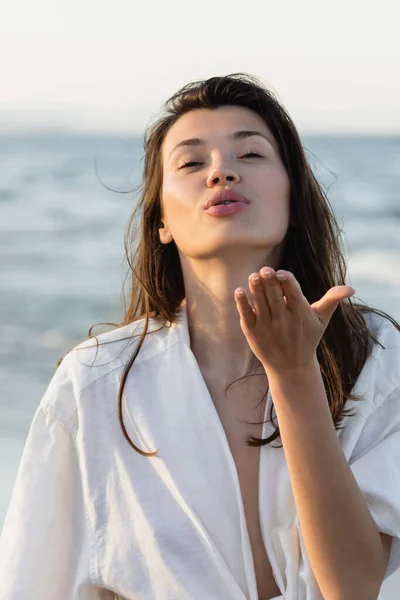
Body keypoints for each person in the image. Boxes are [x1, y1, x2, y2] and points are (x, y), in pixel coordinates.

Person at [0, 73, 399, 600]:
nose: (221, 172)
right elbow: (33, 582)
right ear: (161, 219)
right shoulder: (95, 380)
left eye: (251, 155)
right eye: (191, 162)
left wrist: (295, 374)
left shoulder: (374, 355)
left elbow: (351, 586)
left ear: (294, 197)